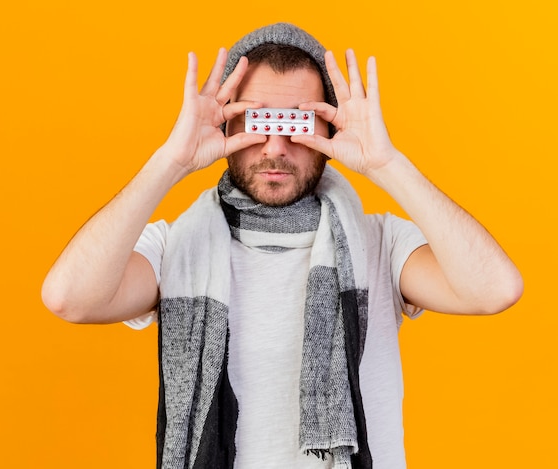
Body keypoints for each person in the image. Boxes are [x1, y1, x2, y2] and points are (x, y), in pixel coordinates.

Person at [41, 23, 523, 469]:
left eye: (297, 124)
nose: (275, 147)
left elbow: (494, 290)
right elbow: (70, 298)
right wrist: (170, 161)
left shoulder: (382, 244)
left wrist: (386, 164)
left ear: (330, 133)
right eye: (255, 122)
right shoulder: (173, 248)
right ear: (226, 126)